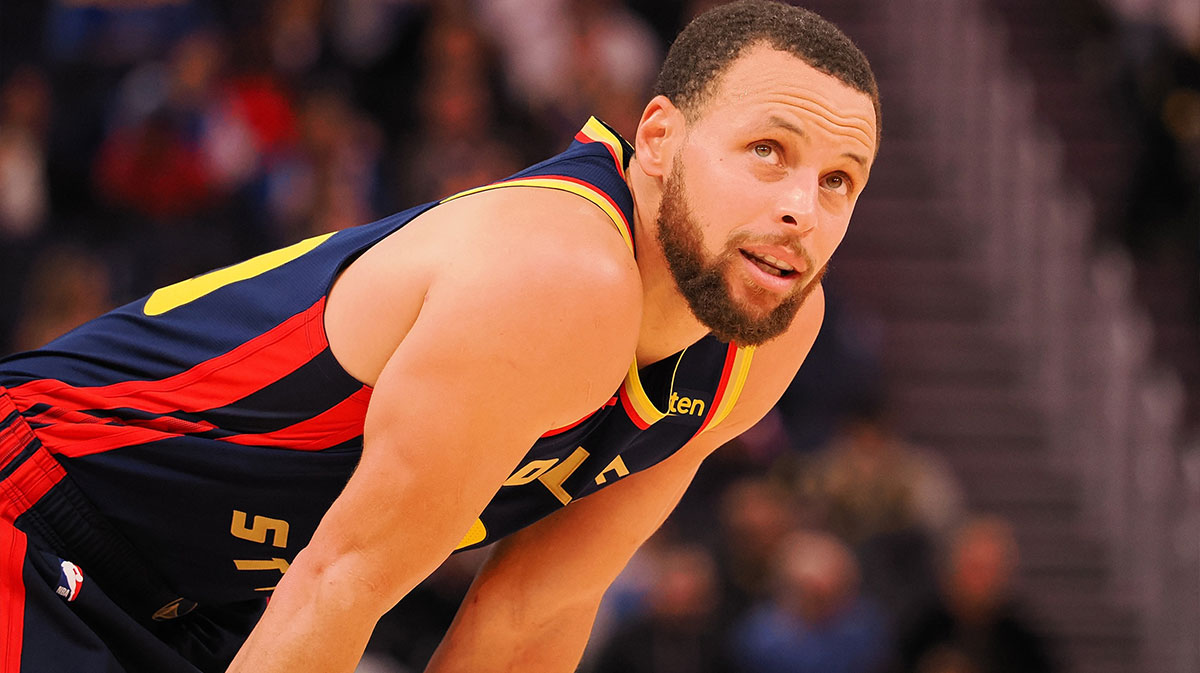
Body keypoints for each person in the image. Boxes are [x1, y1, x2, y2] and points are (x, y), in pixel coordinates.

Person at [0, 1, 881, 671]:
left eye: (840, 179)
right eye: (768, 150)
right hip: (37, 500)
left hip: (197, 595)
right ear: (658, 138)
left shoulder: (771, 327)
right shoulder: (560, 275)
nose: (802, 208)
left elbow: (533, 607)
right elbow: (341, 578)